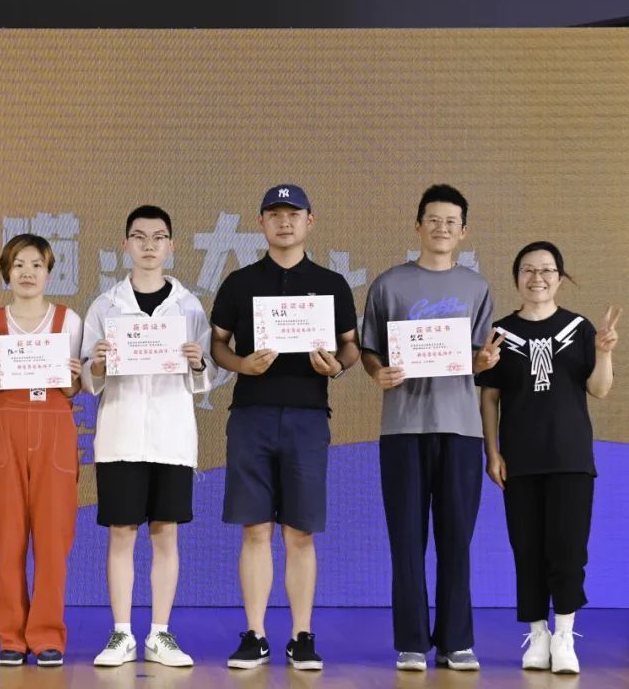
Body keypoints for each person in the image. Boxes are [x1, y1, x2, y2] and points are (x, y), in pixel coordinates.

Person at [210, 184, 359, 671]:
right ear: (261, 223)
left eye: (293, 214)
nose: (284, 222)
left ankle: (301, 636)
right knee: (255, 530)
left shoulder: (331, 283)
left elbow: (350, 346)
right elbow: (218, 344)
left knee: (300, 532)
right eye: (274, 214)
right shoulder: (239, 282)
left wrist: (335, 367)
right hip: (251, 415)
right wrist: (241, 365)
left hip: (308, 418)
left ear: (309, 221)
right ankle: (255, 634)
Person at [361, 184, 503, 672]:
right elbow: (370, 349)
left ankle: (456, 641)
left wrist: (483, 361)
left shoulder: (476, 288)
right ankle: (411, 642)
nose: (441, 228)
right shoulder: (389, 284)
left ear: (463, 232)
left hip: (461, 428)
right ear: (417, 226)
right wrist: (377, 372)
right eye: (433, 220)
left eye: (451, 222)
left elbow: (482, 355)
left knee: (456, 539)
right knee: (406, 539)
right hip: (403, 428)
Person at [477, 241, 619, 675]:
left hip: (571, 457)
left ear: (560, 277)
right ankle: (537, 635)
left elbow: (599, 389)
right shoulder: (500, 333)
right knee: (527, 548)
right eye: (528, 270)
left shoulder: (578, 328)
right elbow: (490, 397)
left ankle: (564, 635)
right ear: (516, 277)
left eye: (546, 270)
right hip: (519, 459)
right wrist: (492, 452)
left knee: (568, 549)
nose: (537, 278)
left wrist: (604, 352)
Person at [82, 206, 213, 668]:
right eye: (139, 237)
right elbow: (87, 377)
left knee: (165, 532)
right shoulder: (105, 305)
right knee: (121, 533)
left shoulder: (189, 306)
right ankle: (121, 633)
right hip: (120, 434)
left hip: (171, 436)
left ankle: (160, 633)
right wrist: (97, 363)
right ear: (126, 245)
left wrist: (198, 362)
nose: (149, 245)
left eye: (158, 237)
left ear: (171, 246)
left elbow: (205, 377)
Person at [0, 234, 83, 668]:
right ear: (6, 272)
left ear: (49, 271)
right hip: (4, 428)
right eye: (19, 264)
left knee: (54, 539)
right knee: (9, 539)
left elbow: (73, 389)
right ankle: (12, 638)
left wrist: (73, 376)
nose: (28, 273)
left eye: (36, 264)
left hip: (54, 427)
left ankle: (48, 634)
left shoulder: (69, 321)